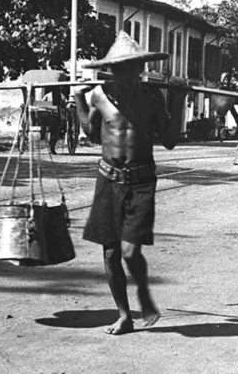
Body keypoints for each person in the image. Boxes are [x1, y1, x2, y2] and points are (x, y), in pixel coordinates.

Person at [72, 32, 180, 336]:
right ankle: (124, 315)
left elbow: (170, 141)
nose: (125, 75)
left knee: (131, 251)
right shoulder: (100, 95)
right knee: (110, 253)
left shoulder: (151, 98)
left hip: (142, 180)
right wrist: (79, 98)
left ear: (140, 69)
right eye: (119, 69)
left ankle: (144, 294)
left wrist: (181, 99)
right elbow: (91, 133)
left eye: (131, 68)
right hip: (108, 179)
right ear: (112, 71)